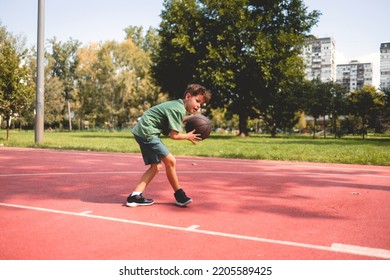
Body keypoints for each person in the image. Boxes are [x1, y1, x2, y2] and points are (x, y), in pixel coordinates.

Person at [126, 84, 212, 207]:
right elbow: (174, 135)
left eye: (201, 104)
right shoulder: (178, 109)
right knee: (171, 161)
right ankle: (179, 195)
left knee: (156, 166)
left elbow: (173, 119)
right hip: (148, 132)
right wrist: (188, 136)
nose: (198, 106)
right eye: (197, 101)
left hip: (142, 131)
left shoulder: (178, 105)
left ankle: (135, 196)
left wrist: (191, 118)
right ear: (188, 96)